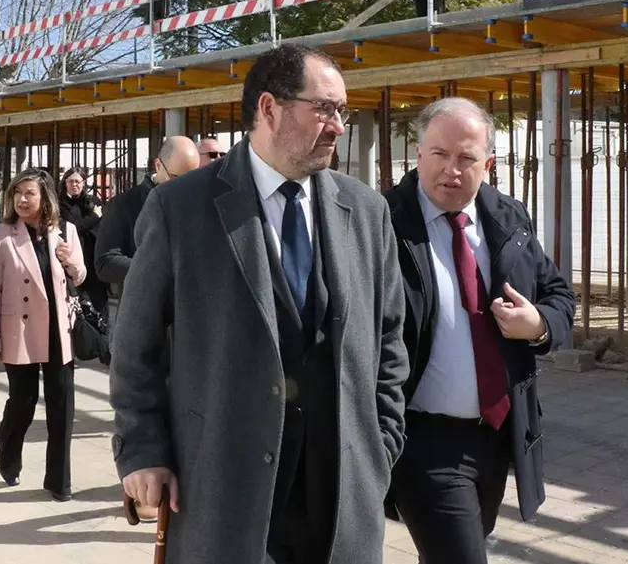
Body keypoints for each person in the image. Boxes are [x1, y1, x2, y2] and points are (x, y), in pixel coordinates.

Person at [109, 42, 409, 564]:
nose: (338, 125)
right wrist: (142, 451)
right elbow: (136, 345)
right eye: (325, 108)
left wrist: (379, 450)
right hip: (225, 492)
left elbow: (389, 341)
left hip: (340, 500)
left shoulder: (365, 210)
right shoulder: (181, 207)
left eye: (342, 110)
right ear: (269, 108)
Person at [383, 98, 575, 564]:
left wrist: (538, 326)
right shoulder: (382, 221)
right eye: (439, 155)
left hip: (496, 434)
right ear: (418, 154)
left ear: (487, 164)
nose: (452, 170)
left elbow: (560, 297)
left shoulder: (508, 219)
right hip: (420, 437)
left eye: (467, 158)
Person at [0, 168, 85, 502]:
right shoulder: (0, 235)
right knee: (22, 402)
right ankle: (9, 457)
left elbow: (80, 276)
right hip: (19, 329)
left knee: (62, 407)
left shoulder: (65, 230)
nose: (23, 200)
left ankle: (59, 481)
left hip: (58, 330)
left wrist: (70, 262)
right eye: (17, 193)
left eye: (30, 194)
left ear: (45, 198)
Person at [94, 136, 200, 327]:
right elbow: (105, 262)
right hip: (143, 322)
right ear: (158, 165)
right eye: (177, 178)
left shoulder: (199, 204)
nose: (186, 187)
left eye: (193, 178)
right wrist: (158, 271)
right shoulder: (124, 205)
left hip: (191, 323)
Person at [57, 166, 106, 315]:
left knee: (99, 304)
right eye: (70, 181)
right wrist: (94, 217)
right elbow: (74, 227)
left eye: (77, 181)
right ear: (65, 183)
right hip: (73, 259)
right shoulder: (61, 204)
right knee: (75, 303)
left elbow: (100, 228)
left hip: (94, 257)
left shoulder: (93, 202)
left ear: (84, 183)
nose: (74, 185)